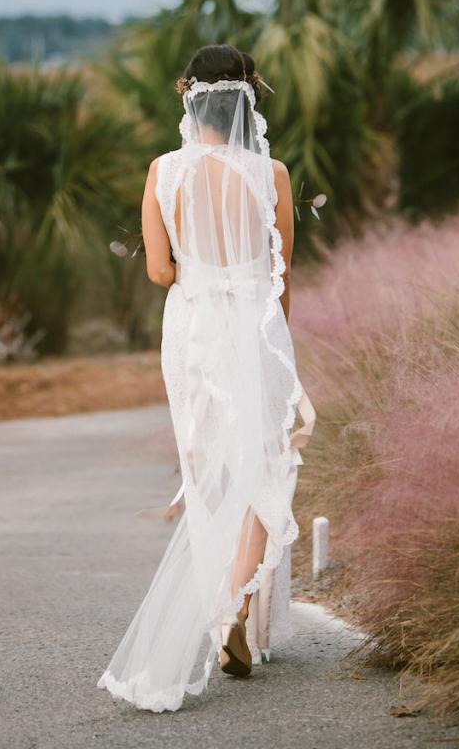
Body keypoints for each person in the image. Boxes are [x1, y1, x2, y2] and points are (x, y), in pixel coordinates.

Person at [96, 43, 316, 712]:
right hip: (254, 323)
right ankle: (233, 614)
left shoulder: (163, 172)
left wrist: (199, 267)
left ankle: (218, 611)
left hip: (191, 330)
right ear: (251, 97)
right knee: (265, 463)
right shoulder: (270, 173)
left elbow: (160, 272)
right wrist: (276, 335)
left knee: (208, 468)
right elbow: (280, 273)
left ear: (190, 97)